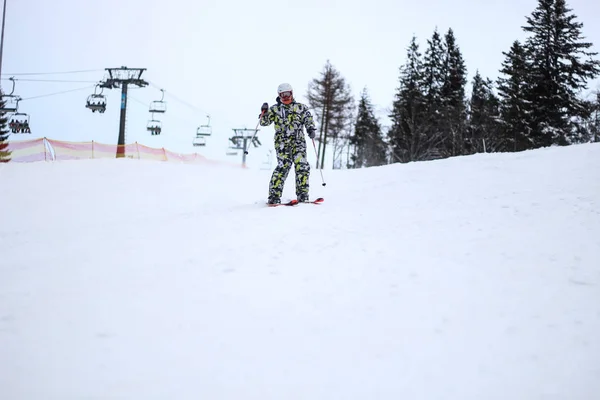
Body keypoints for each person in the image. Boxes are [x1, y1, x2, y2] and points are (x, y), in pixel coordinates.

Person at [259, 83, 316, 205]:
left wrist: (310, 129)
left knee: (302, 165)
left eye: (287, 94)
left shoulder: (301, 108)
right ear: (279, 95)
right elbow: (264, 122)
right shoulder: (275, 109)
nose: (285, 97)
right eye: (282, 95)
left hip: (298, 142)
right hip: (282, 143)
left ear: (292, 93)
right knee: (283, 166)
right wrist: (263, 112)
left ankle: (303, 194)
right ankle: (274, 196)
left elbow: (308, 119)